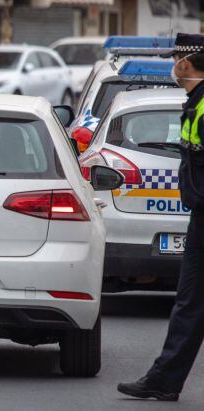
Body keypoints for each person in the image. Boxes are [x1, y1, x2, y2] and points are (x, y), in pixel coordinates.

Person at [118, 33, 204, 401]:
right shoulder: (196, 103)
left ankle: (163, 379)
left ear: (185, 63)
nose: (172, 65)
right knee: (190, 302)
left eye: (175, 59)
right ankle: (164, 380)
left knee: (190, 301)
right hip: (201, 218)